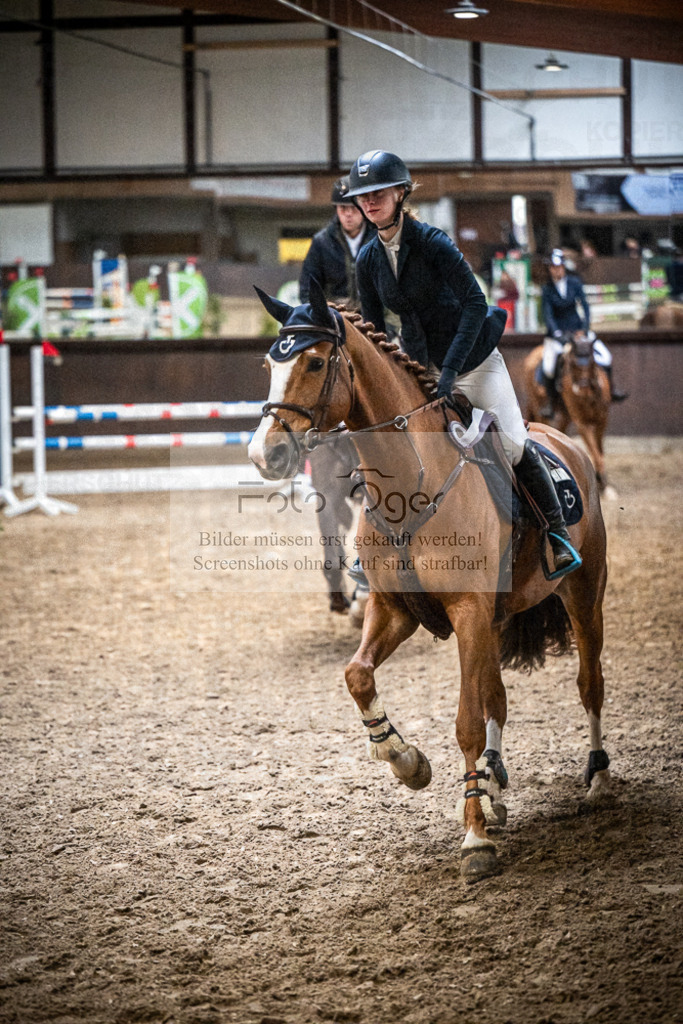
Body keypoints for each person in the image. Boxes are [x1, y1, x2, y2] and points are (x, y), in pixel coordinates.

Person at [345, 149, 580, 579]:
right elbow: (375, 330)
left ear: (401, 192)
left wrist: (451, 370)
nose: (370, 202)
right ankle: (374, 547)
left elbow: (475, 303)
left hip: (473, 361)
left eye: (379, 192)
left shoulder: (433, 243)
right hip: (422, 369)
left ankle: (557, 534)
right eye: (363, 196)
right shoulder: (368, 259)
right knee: (395, 449)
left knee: (511, 443)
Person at [540, 249, 627, 417]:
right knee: (549, 367)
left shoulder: (575, 282)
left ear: (563, 267)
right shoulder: (547, 289)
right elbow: (548, 314)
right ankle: (551, 403)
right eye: (552, 267)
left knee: (606, 356)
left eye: (558, 267)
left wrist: (585, 328)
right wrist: (558, 333)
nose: (555, 270)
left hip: (578, 330)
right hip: (558, 334)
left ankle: (612, 390)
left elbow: (585, 306)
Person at [299, 176, 376, 309]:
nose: (348, 214)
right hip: (335, 319)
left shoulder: (380, 239)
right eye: (343, 208)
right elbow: (308, 291)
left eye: (354, 208)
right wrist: (327, 311)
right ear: (336, 209)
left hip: (377, 317)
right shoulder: (321, 242)